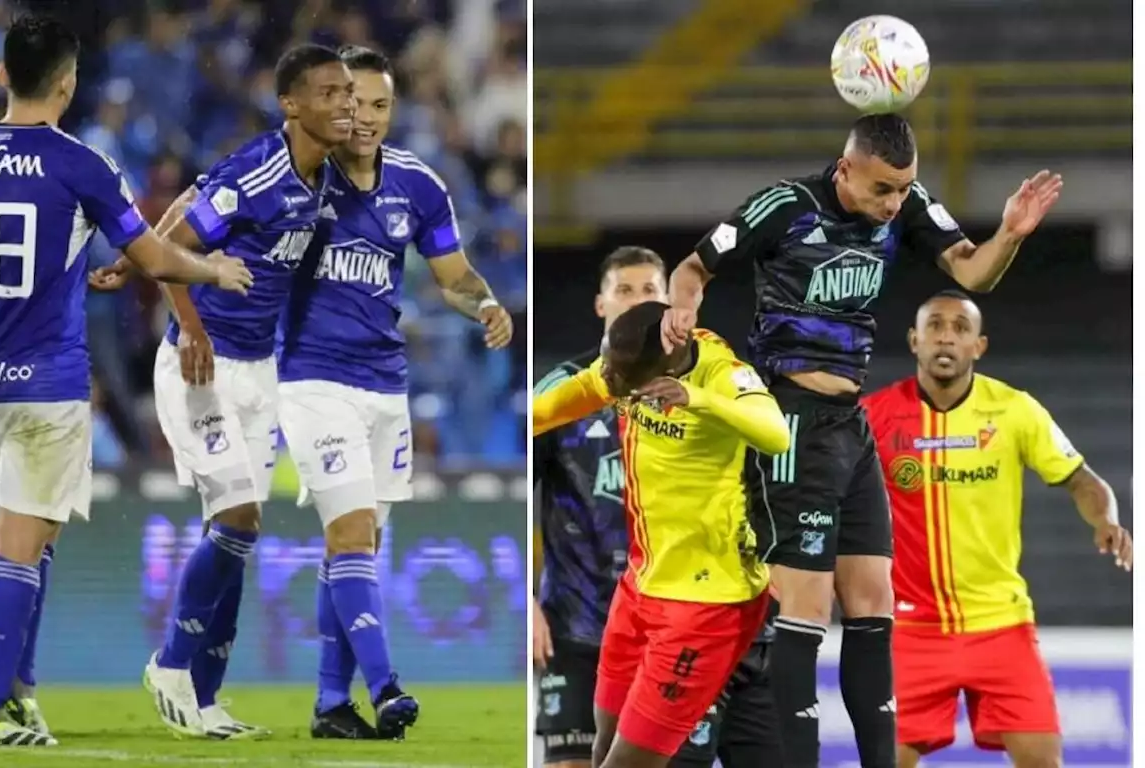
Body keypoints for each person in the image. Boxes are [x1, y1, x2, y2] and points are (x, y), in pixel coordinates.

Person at [662, 113, 1064, 767]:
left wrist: (1009, 236)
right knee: (806, 606)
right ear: (846, 168)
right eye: (883, 189)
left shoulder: (907, 206)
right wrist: (683, 307)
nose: (895, 203)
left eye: (904, 189)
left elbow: (972, 273)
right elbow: (692, 267)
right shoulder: (784, 207)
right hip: (789, 416)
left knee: (876, 599)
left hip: (851, 424)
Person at [0, 15, 252, 748]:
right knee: (20, 545)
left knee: (35, 535)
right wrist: (213, 268)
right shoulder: (83, 164)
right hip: (49, 382)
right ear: (68, 84)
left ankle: (21, 695)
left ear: (3, 75)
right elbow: (153, 257)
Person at [90, 43, 355, 739]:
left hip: (258, 370)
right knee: (237, 515)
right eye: (329, 93)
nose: (345, 105)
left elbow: (185, 199)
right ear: (291, 104)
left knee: (239, 531)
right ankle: (172, 664)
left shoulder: (323, 179)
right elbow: (172, 244)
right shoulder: (262, 171)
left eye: (348, 93)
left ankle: (204, 700)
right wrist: (191, 328)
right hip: (199, 365)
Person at [277, 46, 513, 741]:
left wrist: (488, 304)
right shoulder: (299, 177)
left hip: (385, 385)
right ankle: (384, 687)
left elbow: (454, 275)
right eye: (354, 103)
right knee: (351, 531)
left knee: (359, 546)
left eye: (381, 105)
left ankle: (329, 703)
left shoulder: (419, 185)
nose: (367, 118)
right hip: (314, 379)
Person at [533, 247, 782, 768]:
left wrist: (702, 402)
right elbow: (554, 406)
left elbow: (776, 436)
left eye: (624, 385)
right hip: (640, 589)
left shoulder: (721, 372)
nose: (615, 391)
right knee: (602, 745)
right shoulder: (627, 361)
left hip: (706, 604)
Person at [861, 290, 1132, 768]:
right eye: (936, 326)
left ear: (978, 346)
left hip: (1000, 626)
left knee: (1044, 761)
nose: (947, 336)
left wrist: (1106, 518)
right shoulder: (873, 417)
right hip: (910, 630)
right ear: (914, 340)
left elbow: (1083, 480)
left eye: (960, 328)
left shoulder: (1014, 410)